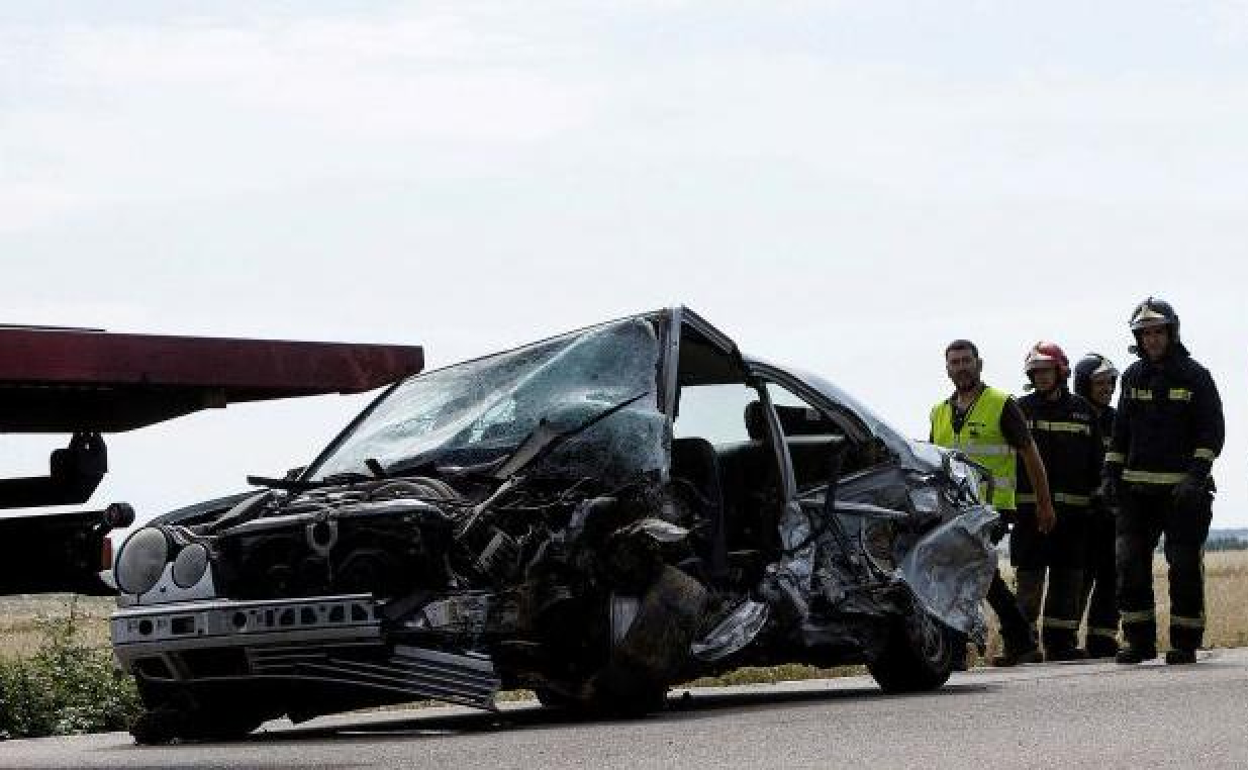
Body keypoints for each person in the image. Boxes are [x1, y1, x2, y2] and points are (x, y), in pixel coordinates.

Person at [1100, 298, 1225, 665]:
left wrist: (1195, 478)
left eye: (1158, 332)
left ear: (1172, 333)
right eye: (1145, 334)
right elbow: (1120, 434)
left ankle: (1185, 642)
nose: (1152, 340)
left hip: (1184, 493)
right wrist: (1110, 475)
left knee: (1184, 565)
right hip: (1136, 493)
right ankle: (1138, 642)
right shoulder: (1133, 377)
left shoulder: (1195, 376)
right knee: (1128, 563)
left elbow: (1212, 433)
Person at [930, 339, 1055, 666]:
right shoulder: (939, 412)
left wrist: (1044, 504)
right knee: (977, 575)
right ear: (947, 369)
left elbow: (1030, 454)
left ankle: (957, 652)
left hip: (992, 507)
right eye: (954, 362)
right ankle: (1019, 641)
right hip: (953, 510)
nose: (961, 367)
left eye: (966, 361)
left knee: (967, 571)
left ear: (979, 364)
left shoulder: (1000, 403)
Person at [1012, 343, 1103, 661]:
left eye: (1046, 370)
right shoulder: (1019, 410)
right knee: (1029, 580)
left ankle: (1061, 643)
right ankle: (1022, 643)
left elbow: (1097, 463)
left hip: (1075, 515)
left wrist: (1097, 500)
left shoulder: (1083, 412)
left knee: (1068, 580)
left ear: (1060, 371)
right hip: (1029, 514)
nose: (1041, 377)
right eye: (1035, 372)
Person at [1073, 352, 1121, 658]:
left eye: (1109, 382)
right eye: (1099, 382)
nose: (1107, 388)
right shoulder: (1074, 417)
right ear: (1083, 385)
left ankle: (1102, 639)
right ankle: (1063, 639)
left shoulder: (1119, 420)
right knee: (1079, 576)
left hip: (1113, 514)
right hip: (1081, 513)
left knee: (1112, 576)